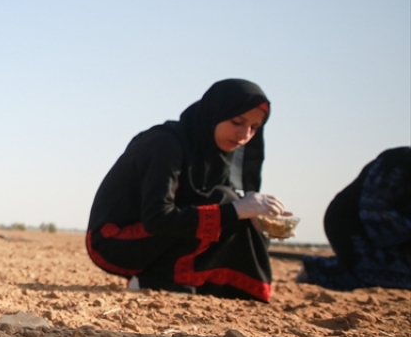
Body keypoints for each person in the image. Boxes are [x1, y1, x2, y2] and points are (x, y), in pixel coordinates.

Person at [85, 79, 290, 302]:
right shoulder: (165, 144)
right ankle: (155, 280)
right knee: (226, 203)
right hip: (114, 240)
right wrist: (235, 210)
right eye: (237, 122)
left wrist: (256, 219)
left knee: (234, 209)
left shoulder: (216, 156)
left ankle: (190, 283)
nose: (245, 135)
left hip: (154, 234)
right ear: (215, 114)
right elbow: (158, 217)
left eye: (254, 128)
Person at [299, 147, 411, 290]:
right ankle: (316, 270)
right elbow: (374, 211)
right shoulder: (398, 162)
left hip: (396, 232)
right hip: (353, 223)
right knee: (379, 274)